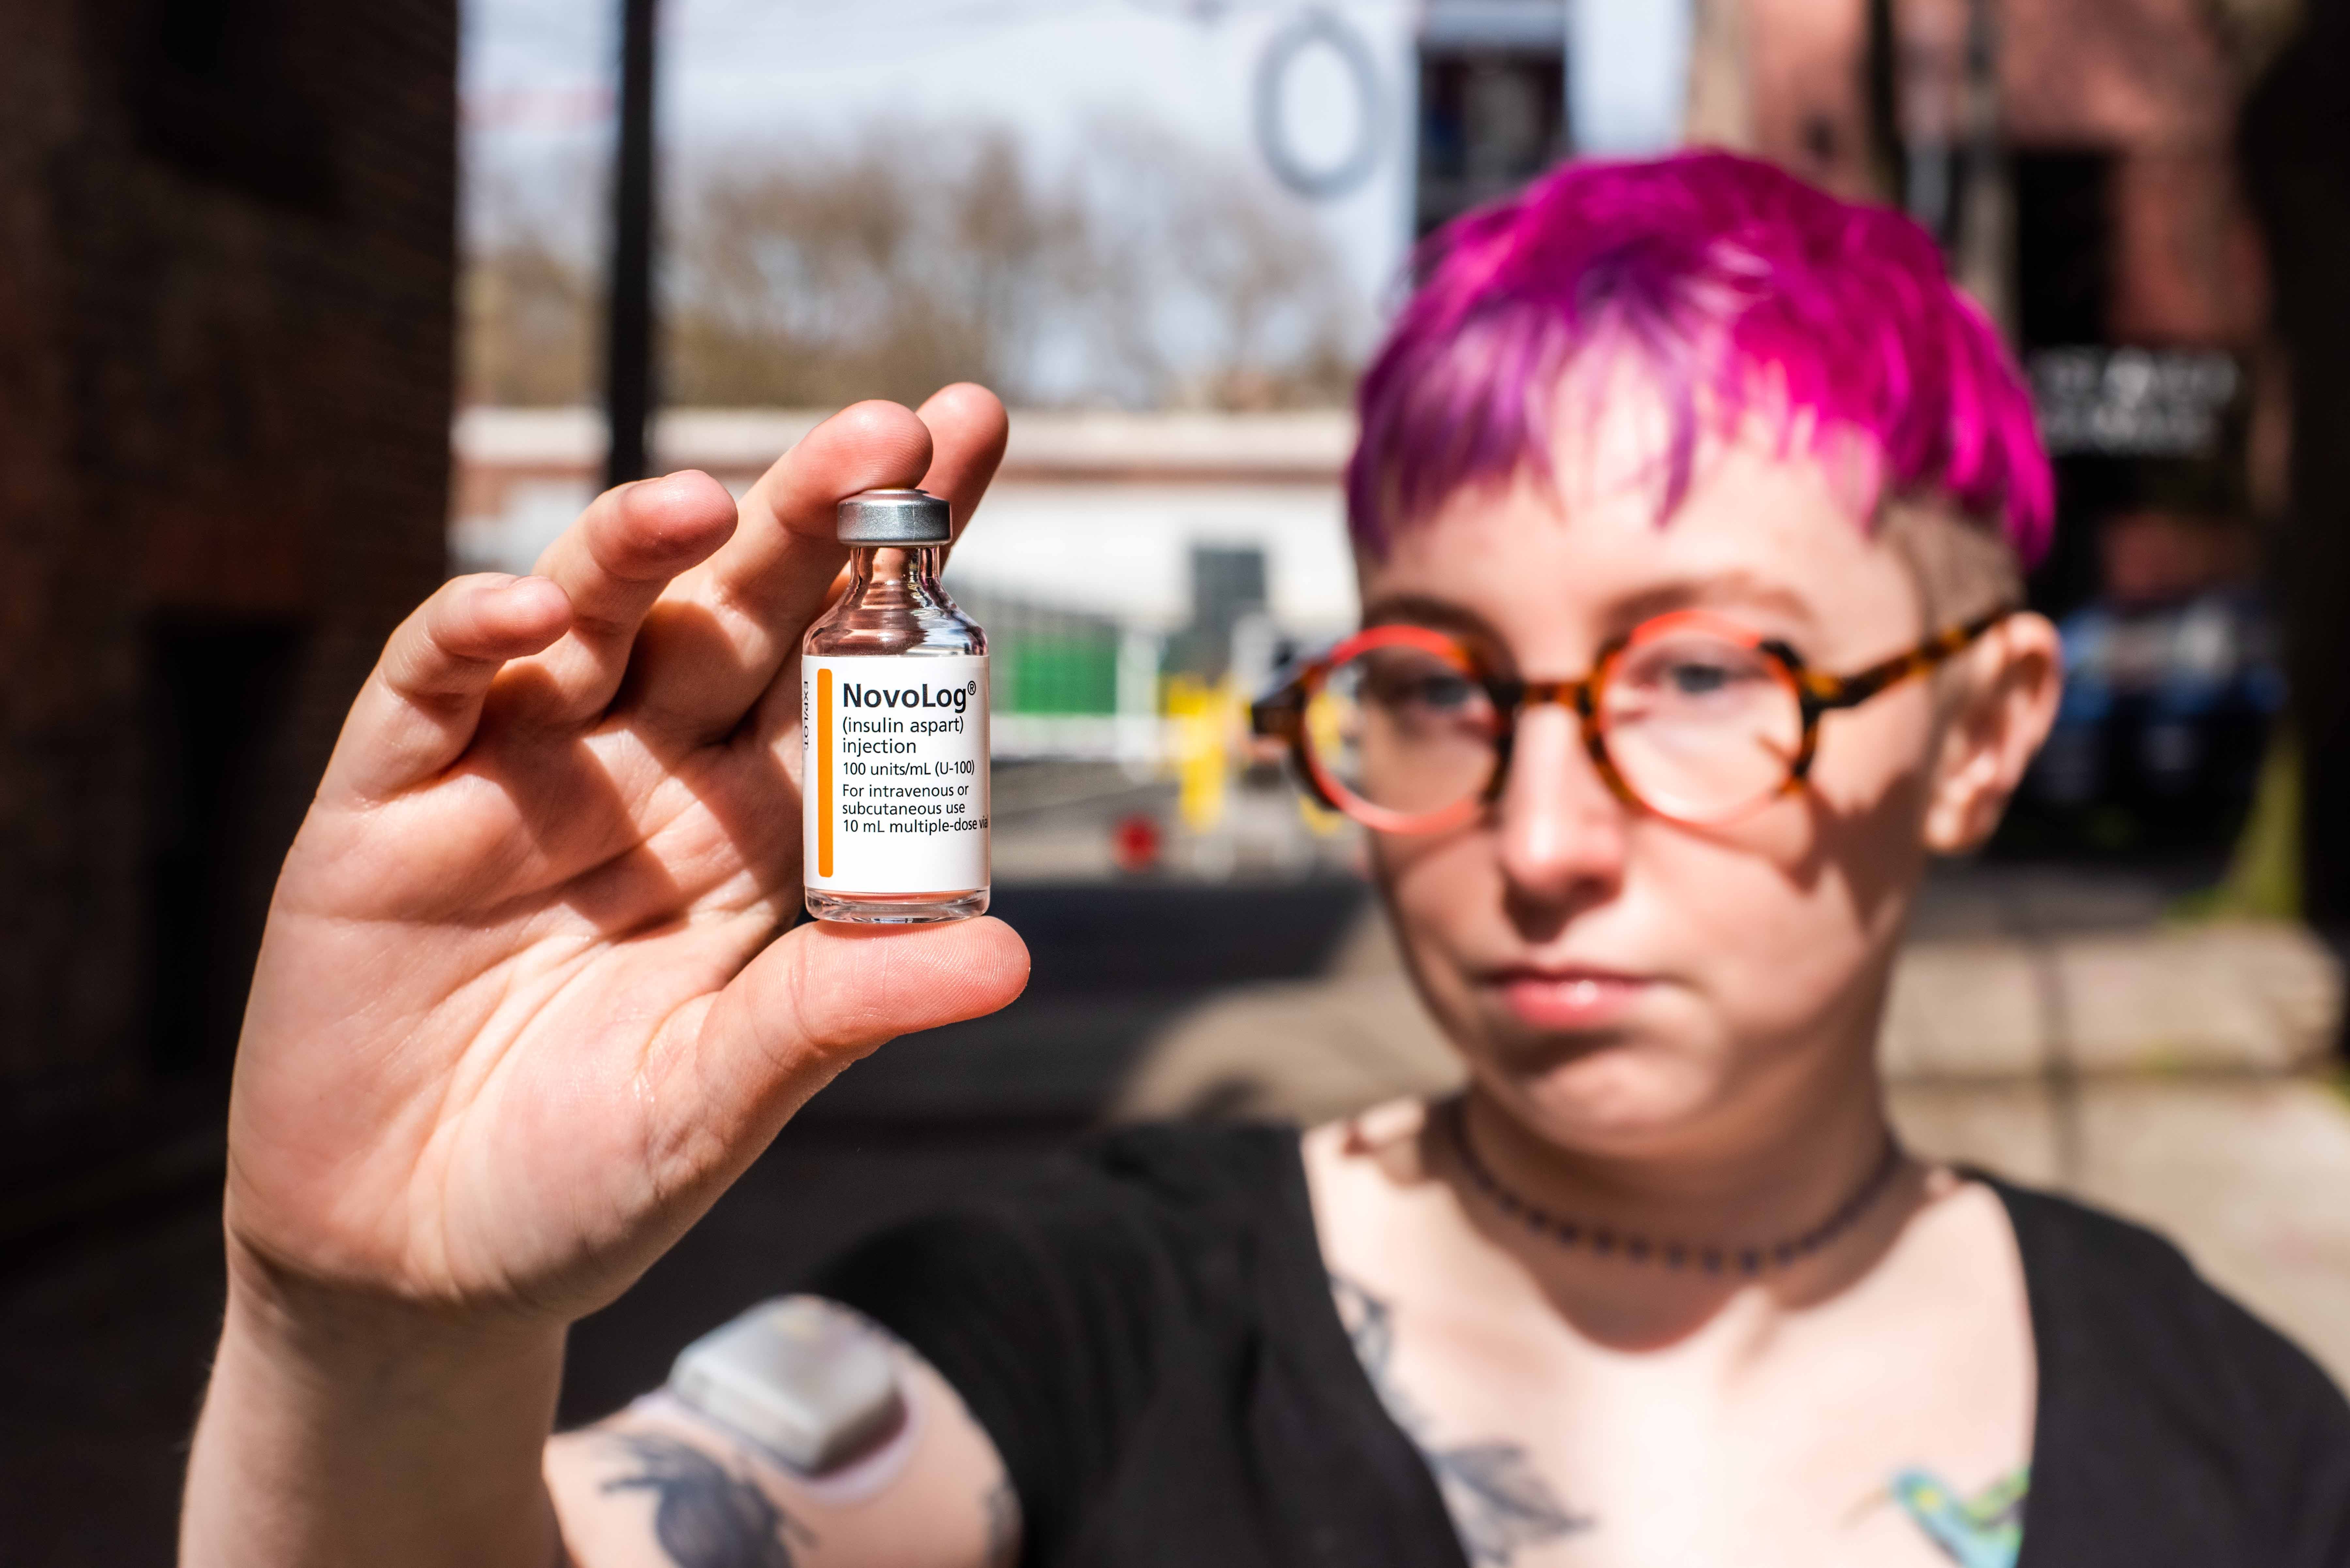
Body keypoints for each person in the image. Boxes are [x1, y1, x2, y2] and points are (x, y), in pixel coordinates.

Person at [180, 152, 2350, 1568]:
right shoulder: (1077, 1324)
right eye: (1440, 680)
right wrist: (372, 1351)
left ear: (1974, 735)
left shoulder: (2248, 1456)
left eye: (1699, 676)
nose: (1537, 834)